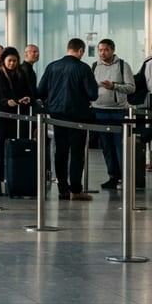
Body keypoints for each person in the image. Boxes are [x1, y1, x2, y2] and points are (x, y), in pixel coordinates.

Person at [37, 38, 98, 201]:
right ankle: (75, 190)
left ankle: (63, 189)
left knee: (61, 151)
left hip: (56, 115)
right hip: (78, 116)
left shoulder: (52, 66)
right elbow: (93, 94)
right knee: (77, 153)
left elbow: (40, 91)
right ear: (80, 51)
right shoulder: (83, 68)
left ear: (67, 48)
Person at [0, 47, 34, 195]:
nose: (12, 63)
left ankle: (14, 179)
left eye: (14, 61)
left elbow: (29, 92)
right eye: (9, 60)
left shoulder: (21, 74)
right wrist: (4, 102)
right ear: (3, 61)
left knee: (15, 148)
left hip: (16, 118)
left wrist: (26, 99)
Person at [92, 38, 135, 190]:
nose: (102, 53)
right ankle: (113, 177)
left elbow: (131, 88)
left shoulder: (123, 66)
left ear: (112, 50)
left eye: (106, 50)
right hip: (99, 110)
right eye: (100, 50)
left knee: (120, 146)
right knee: (107, 147)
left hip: (117, 111)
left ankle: (125, 177)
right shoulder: (95, 66)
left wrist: (114, 86)